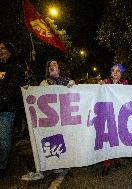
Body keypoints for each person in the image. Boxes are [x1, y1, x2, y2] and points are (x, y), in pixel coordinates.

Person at [21, 59, 75, 181]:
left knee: (61, 140)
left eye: (55, 64)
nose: (51, 66)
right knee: (45, 142)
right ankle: (40, 170)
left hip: (64, 120)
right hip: (49, 121)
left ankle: (58, 164)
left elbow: (74, 96)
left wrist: (72, 87)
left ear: (60, 67)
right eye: (50, 65)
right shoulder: (44, 83)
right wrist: (28, 90)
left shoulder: (68, 82)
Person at [0, 40, 24, 178]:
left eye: (3, 48)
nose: (0, 50)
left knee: (3, 139)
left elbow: (12, 90)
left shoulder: (16, 69)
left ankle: (2, 166)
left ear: (10, 51)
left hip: (6, 110)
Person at [99, 64, 128, 176]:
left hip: (120, 115)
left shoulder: (125, 84)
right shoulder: (105, 83)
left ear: (121, 74)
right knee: (107, 138)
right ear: (110, 73)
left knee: (117, 137)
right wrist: (99, 85)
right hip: (107, 114)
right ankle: (106, 163)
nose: (116, 73)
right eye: (113, 71)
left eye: (118, 71)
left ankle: (116, 157)